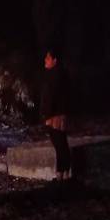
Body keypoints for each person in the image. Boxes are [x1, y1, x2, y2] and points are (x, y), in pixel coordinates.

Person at [41, 48, 70, 181]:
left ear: (54, 60)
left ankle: (61, 172)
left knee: (59, 143)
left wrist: (46, 114)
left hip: (54, 115)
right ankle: (64, 171)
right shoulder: (57, 74)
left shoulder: (54, 76)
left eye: (48, 58)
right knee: (61, 142)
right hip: (58, 113)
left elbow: (51, 96)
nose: (45, 60)